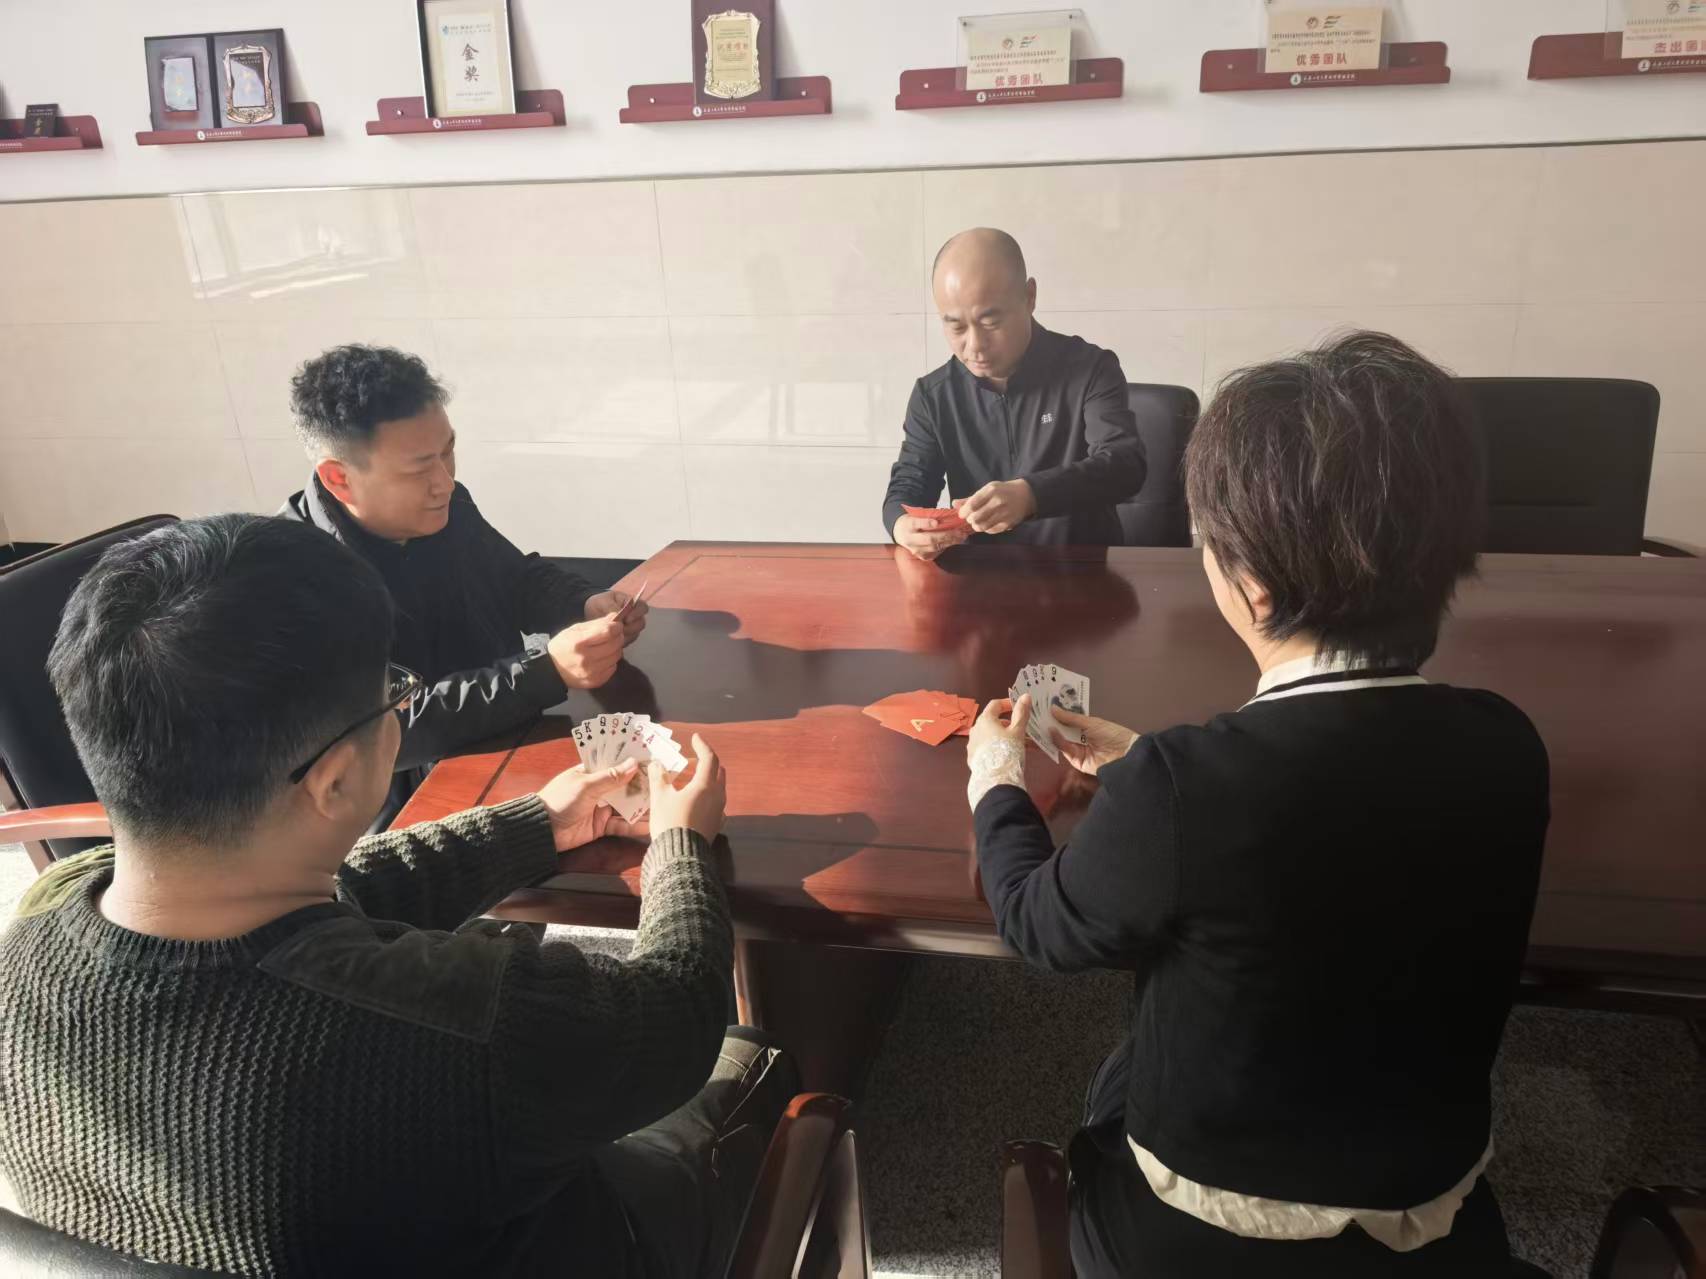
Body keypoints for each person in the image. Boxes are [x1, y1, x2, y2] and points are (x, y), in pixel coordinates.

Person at [0, 514, 794, 1278]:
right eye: (394, 690)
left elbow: (313, 910)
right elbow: (675, 1019)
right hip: (592, 1246)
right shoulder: (460, 1026)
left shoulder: (32, 935)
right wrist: (682, 846)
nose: (400, 704)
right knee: (762, 1058)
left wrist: (533, 824)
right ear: (337, 779)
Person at [964, 332, 1550, 1277]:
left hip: (1201, 1232)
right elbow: (1335, 819)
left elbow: (1039, 925)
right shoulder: (1507, 743)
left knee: (1120, 1071)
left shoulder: (1187, 786)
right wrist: (1146, 766)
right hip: (1428, 1206)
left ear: (1253, 582)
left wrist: (995, 777)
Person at [280, 344, 647, 777]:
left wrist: (583, 604)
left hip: (512, 746)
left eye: (448, 451)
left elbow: (516, 580)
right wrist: (547, 672)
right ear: (339, 478)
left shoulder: (447, 506)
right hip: (415, 798)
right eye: (419, 469)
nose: (445, 482)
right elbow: (388, 731)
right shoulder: (291, 578)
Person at [882, 227, 1147, 559]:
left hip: (1081, 572)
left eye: (990, 323)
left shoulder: (1091, 369)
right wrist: (901, 525)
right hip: (978, 574)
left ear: (1029, 297)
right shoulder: (933, 395)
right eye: (956, 327)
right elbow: (908, 486)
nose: (974, 346)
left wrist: (1031, 495)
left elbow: (1124, 465)